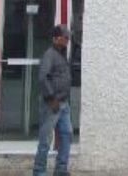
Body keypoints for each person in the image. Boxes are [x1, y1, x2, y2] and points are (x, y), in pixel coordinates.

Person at [33, 24, 73, 176]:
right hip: (52, 104)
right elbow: (43, 78)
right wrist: (51, 98)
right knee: (46, 139)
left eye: (68, 38)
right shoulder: (49, 55)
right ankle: (39, 171)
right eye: (65, 37)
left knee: (67, 135)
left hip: (64, 103)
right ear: (56, 38)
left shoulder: (62, 55)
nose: (67, 40)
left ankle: (61, 169)